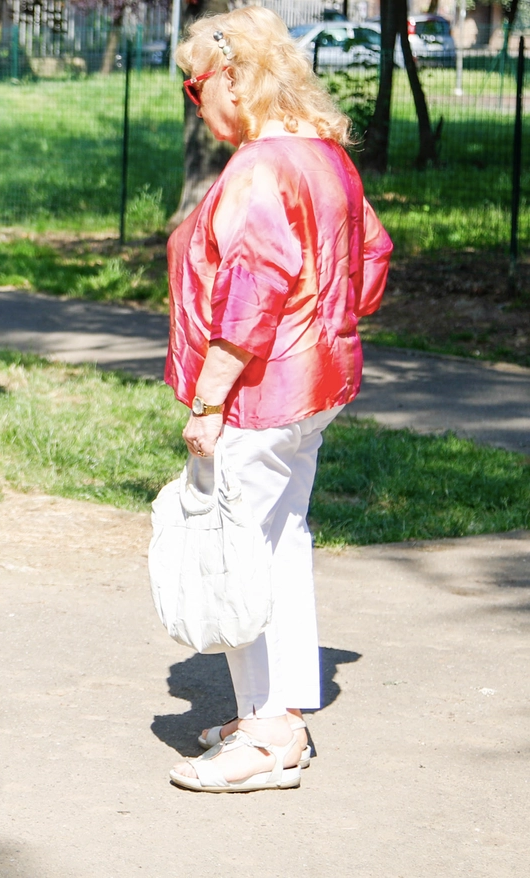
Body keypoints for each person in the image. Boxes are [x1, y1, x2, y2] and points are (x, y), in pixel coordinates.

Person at [163, 6, 391, 793]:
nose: (198, 102)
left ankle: (268, 736)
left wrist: (208, 400)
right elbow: (373, 255)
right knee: (282, 539)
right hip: (317, 384)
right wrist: (324, 319)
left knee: (242, 553)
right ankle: (278, 714)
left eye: (195, 85)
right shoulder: (325, 157)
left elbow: (252, 293)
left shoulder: (261, 166)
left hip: (261, 391)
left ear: (232, 74)